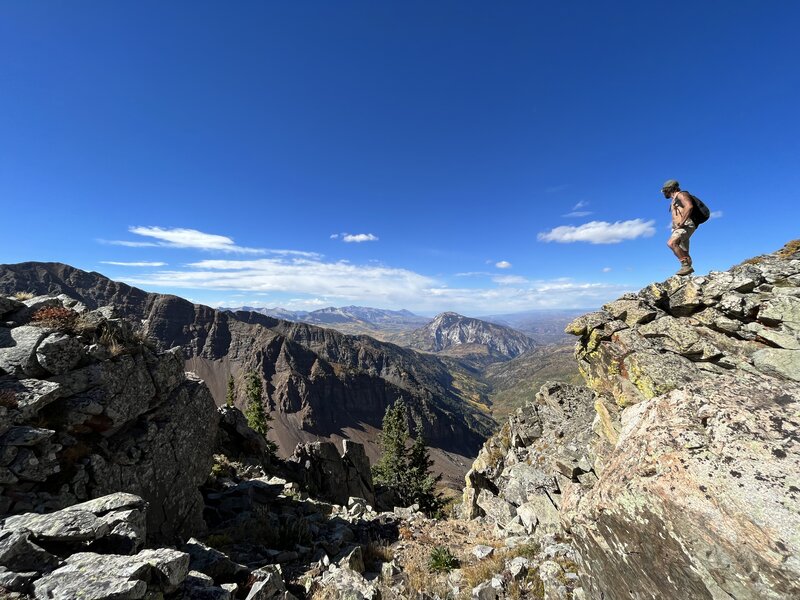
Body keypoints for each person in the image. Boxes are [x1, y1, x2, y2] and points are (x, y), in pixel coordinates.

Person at [662, 179, 696, 276]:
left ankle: (685, 266)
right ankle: (688, 275)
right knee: (684, 253)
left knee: (671, 243)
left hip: (684, 225)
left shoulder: (681, 194)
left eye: (664, 191)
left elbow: (689, 206)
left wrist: (681, 222)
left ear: (668, 189)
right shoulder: (674, 199)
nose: (663, 193)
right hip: (679, 228)